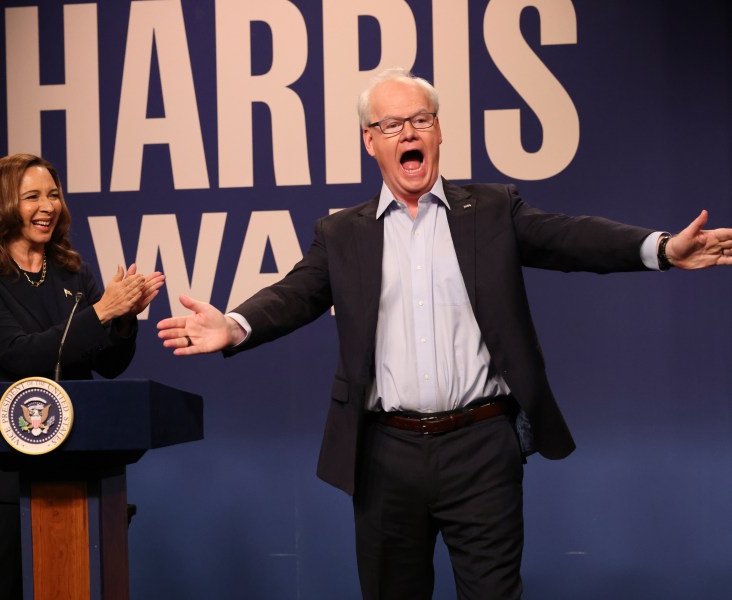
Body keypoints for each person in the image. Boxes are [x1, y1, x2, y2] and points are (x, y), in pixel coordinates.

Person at [155, 67, 732, 599]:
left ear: (438, 132)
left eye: (421, 119)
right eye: (392, 124)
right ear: (370, 141)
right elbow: (296, 293)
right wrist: (233, 325)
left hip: (481, 446)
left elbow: (570, 238)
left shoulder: (491, 208)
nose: (409, 131)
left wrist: (660, 248)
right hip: (383, 454)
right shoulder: (341, 234)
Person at [0, 153, 164, 600]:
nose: (48, 205)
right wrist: (104, 310)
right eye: (32, 196)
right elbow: (21, 355)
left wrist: (124, 321)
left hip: (76, 460)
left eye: (53, 195)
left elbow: (108, 364)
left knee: (77, 585)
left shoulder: (72, 272)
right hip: (2, 467)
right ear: (1, 205)